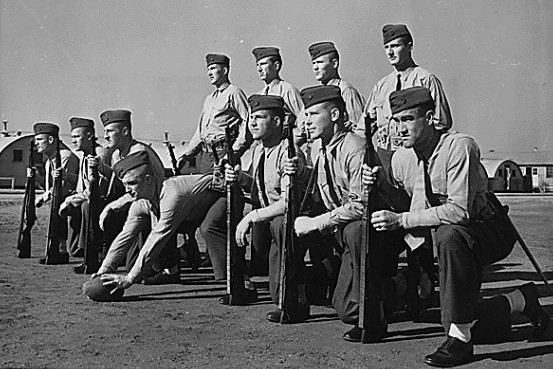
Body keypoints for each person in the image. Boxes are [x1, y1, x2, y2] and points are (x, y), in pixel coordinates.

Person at [363, 87, 549, 366]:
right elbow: (406, 200)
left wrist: (400, 221)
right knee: (459, 321)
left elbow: (459, 211)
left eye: (408, 119)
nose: (400, 129)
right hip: (455, 238)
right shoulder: (404, 156)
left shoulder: (459, 147)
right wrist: (378, 185)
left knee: (451, 237)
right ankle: (520, 299)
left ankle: (461, 343)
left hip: (487, 230)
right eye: (396, 121)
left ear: (430, 118)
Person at [294, 85, 401, 338]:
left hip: (372, 235)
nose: (307, 121)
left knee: (348, 309)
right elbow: (323, 193)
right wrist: (298, 173)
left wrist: (315, 223)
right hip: (341, 235)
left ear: (334, 115)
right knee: (337, 302)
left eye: (313, 114)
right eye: (305, 115)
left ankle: (398, 287)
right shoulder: (320, 149)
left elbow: (360, 205)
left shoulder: (355, 148)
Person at [225, 94, 309, 322]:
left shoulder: (287, 152)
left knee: (280, 226)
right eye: (251, 117)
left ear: (277, 122)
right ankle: (242, 287)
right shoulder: (260, 150)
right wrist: (239, 177)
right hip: (269, 218)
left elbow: (287, 203)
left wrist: (252, 216)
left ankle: (294, 301)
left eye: (260, 117)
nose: (252, 122)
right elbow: (260, 186)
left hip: (294, 219)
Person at [174, 54, 252, 293]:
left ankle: (232, 274)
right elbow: (201, 131)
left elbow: (248, 123)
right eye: (208, 69)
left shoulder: (234, 93)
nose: (210, 72)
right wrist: (187, 153)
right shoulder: (209, 99)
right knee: (201, 211)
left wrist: (234, 151)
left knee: (222, 211)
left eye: (215, 68)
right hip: (205, 156)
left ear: (226, 70)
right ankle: (215, 266)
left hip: (223, 155)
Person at [96, 151, 223, 290]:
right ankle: (175, 267)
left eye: (132, 184)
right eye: (125, 185)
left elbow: (157, 239)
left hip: (221, 196)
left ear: (149, 179)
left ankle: (228, 279)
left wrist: (130, 278)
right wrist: (105, 269)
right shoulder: (141, 201)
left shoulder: (172, 195)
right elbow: (126, 235)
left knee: (209, 226)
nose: (128, 190)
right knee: (159, 223)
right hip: (191, 211)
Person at [250, 46, 305, 276]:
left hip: (287, 153)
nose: (260, 69)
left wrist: (292, 146)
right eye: (258, 65)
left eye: (264, 64)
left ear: (277, 66)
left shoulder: (287, 89)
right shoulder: (262, 92)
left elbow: (303, 120)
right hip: (267, 150)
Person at [96, 109, 168, 280]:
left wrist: (115, 205)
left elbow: (157, 184)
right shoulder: (116, 155)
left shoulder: (140, 151)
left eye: (110, 131)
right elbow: (122, 185)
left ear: (125, 131)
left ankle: (166, 267)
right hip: (136, 203)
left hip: (157, 202)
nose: (105, 136)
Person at [59, 117, 112, 273]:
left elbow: (95, 191)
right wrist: (66, 177)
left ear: (89, 136)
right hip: (90, 200)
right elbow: (82, 184)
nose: (73, 141)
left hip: (103, 202)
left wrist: (69, 200)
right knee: (72, 205)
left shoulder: (99, 154)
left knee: (86, 205)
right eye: (72, 137)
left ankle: (93, 255)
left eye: (77, 136)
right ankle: (78, 248)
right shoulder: (84, 156)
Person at [32, 122, 79, 264]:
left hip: (73, 201)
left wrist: (44, 197)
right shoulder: (50, 161)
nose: (36, 143)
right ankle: (56, 250)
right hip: (60, 201)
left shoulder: (65, 156)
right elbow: (50, 188)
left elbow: (63, 188)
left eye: (40, 139)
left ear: (51, 140)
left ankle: (61, 250)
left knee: (58, 207)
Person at [308, 41, 365, 130]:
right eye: (314, 63)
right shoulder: (318, 94)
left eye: (320, 62)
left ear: (334, 63)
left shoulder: (346, 91)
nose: (315, 67)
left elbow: (359, 129)